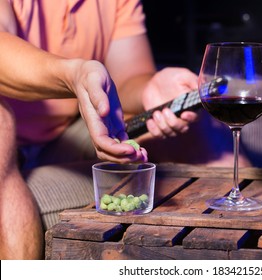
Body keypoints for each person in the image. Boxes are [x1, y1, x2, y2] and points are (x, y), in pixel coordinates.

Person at [0, 0, 205, 260]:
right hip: (9, 139)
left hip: (64, 133)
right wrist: (73, 75)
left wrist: (150, 88)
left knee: (201, 128)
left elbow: (129, 76)